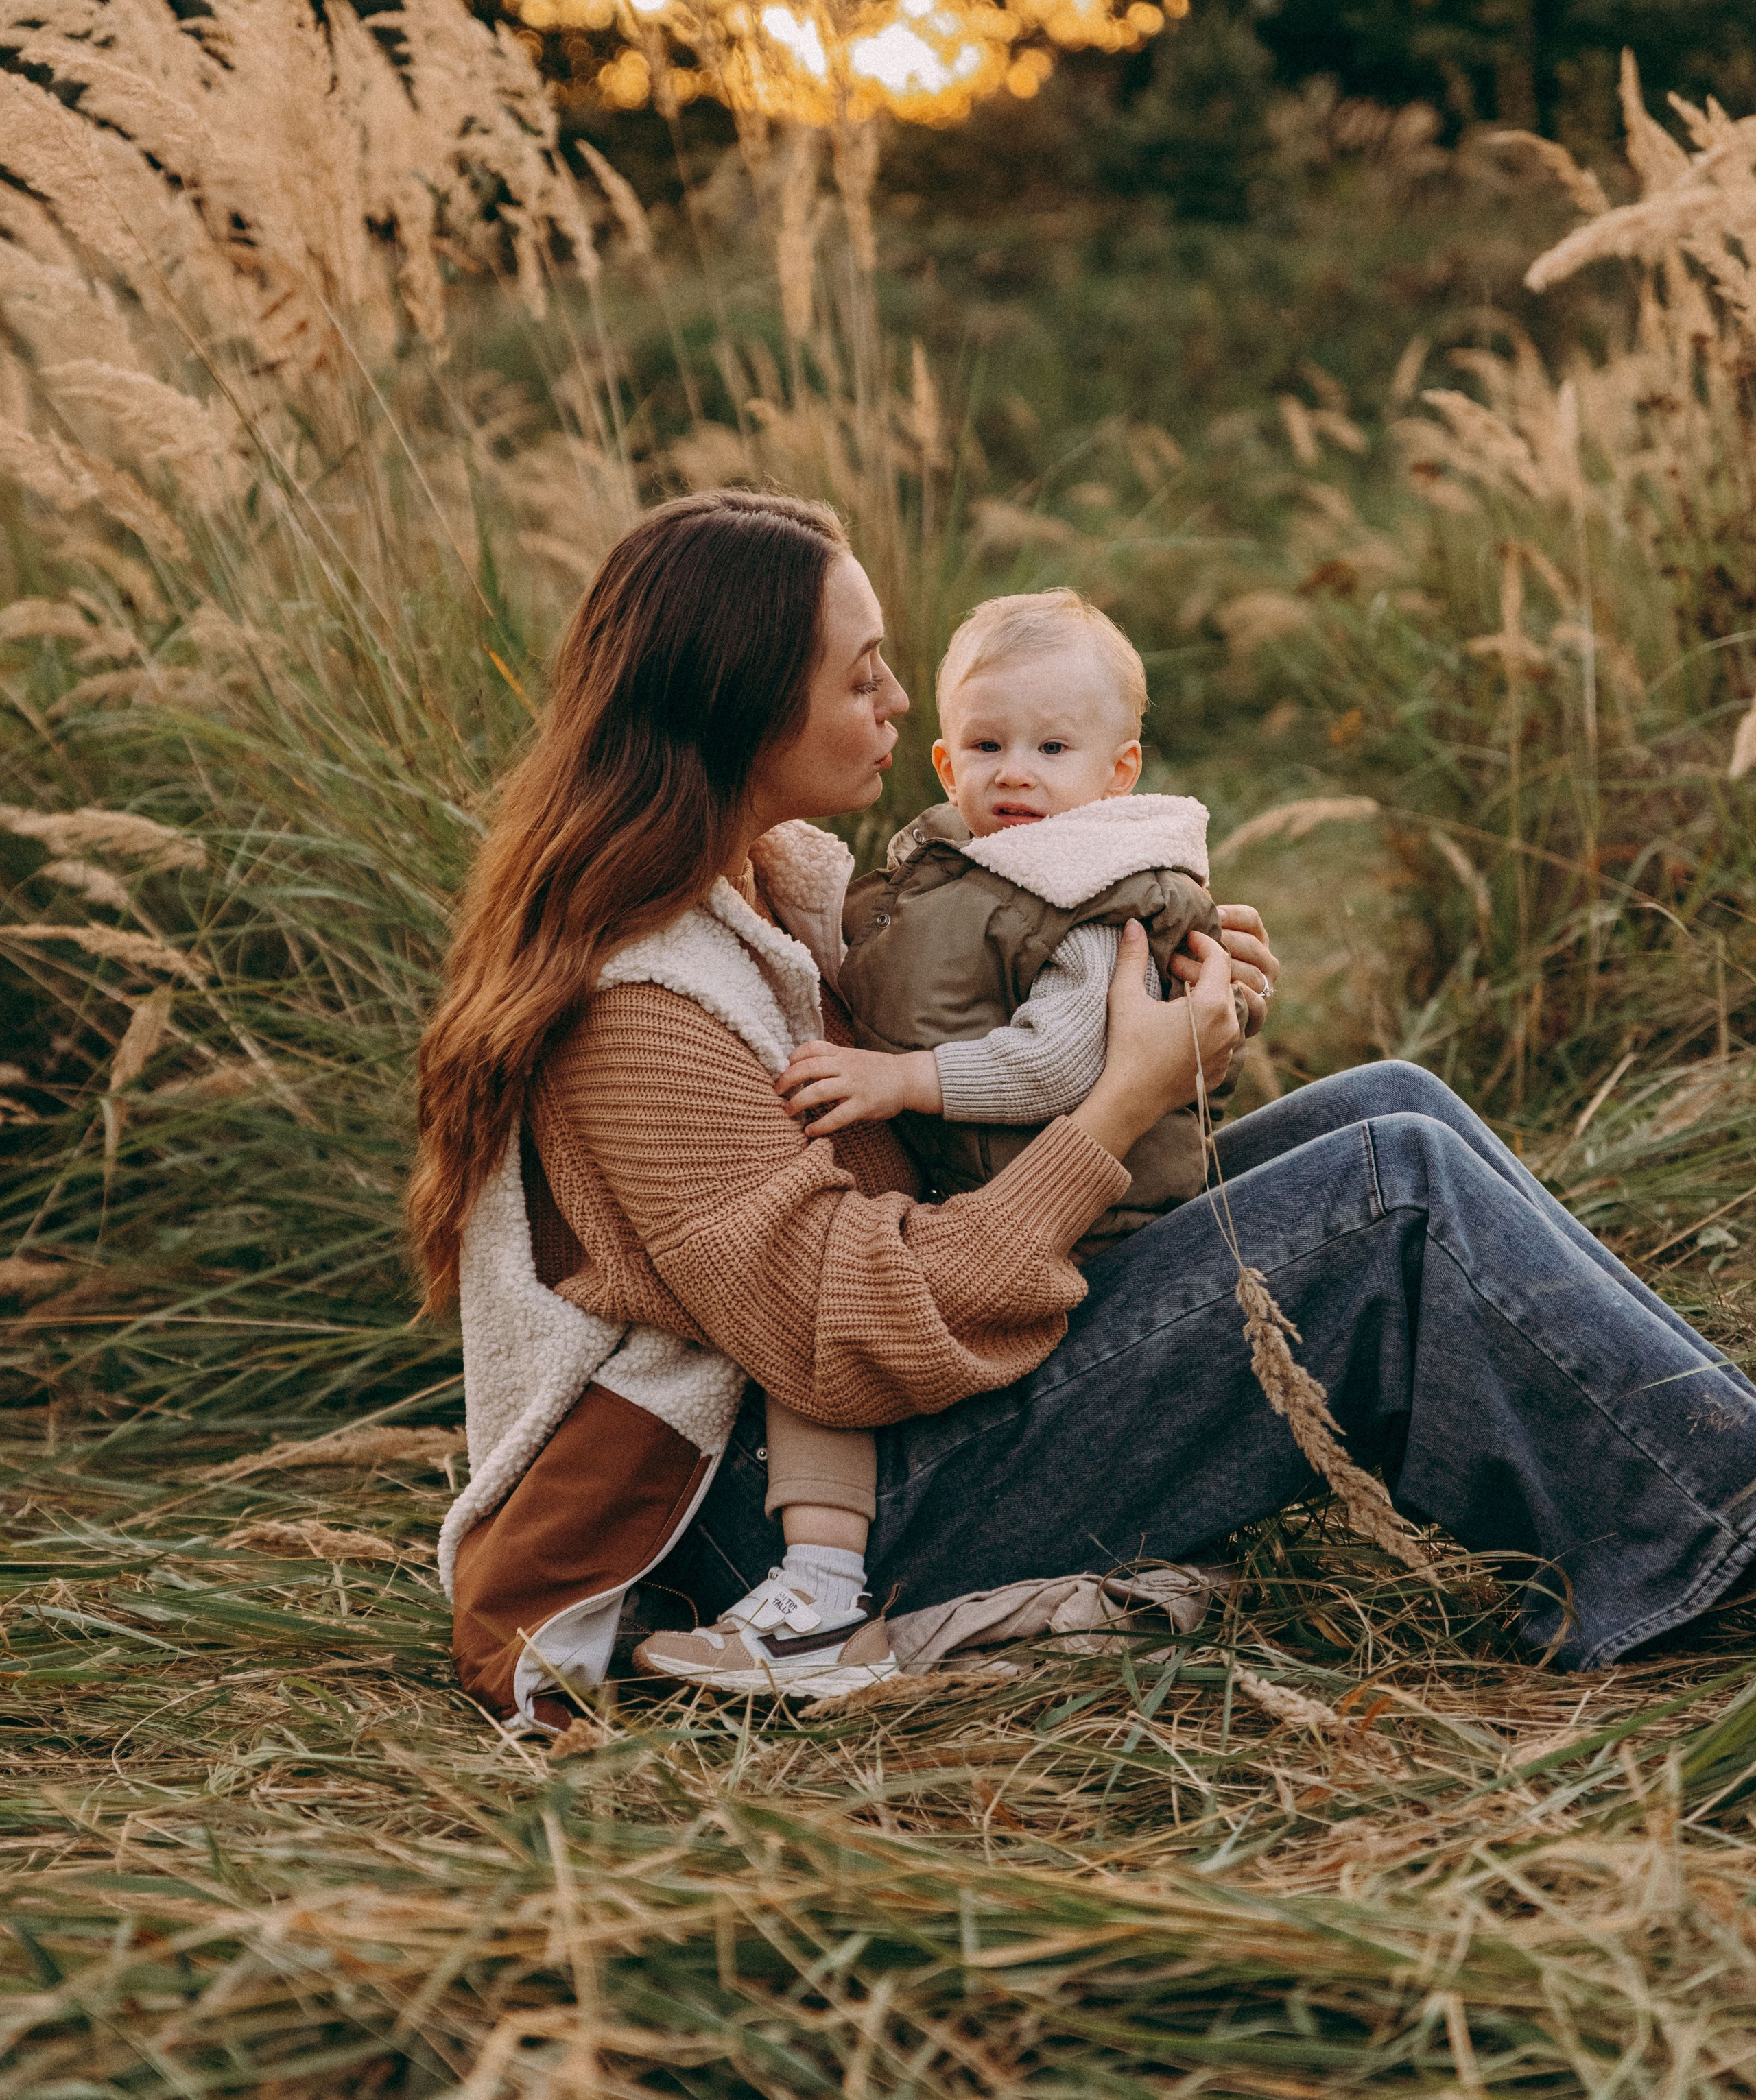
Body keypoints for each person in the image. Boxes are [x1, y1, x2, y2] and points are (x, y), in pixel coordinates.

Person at [413, 489, 1756, 1730]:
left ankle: (1699, 1476)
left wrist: (1170, 1010)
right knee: (1388, 1198)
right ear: (742, 706)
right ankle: (1714, 1528)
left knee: (1393, 1106)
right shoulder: (641, 1008)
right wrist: (1117, 1102)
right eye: (861, 673)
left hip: (878, 1418)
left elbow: (965, 1097)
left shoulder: (780, 887)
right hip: (770, 1528)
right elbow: (840, 1339)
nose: (898, 701)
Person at [637, 588, 1249, 1690]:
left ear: (1119, 771)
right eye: (986, 745)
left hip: (1073, 1226)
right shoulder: (911, 883)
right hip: (945, 1267)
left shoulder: (1071, 888)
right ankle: (819, 1596)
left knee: (1398, 1118)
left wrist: (906, 1081)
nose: (1016, 773)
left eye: (1052, 749)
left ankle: (823, 1594)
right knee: (1393, 1179)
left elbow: (1067, 1059)